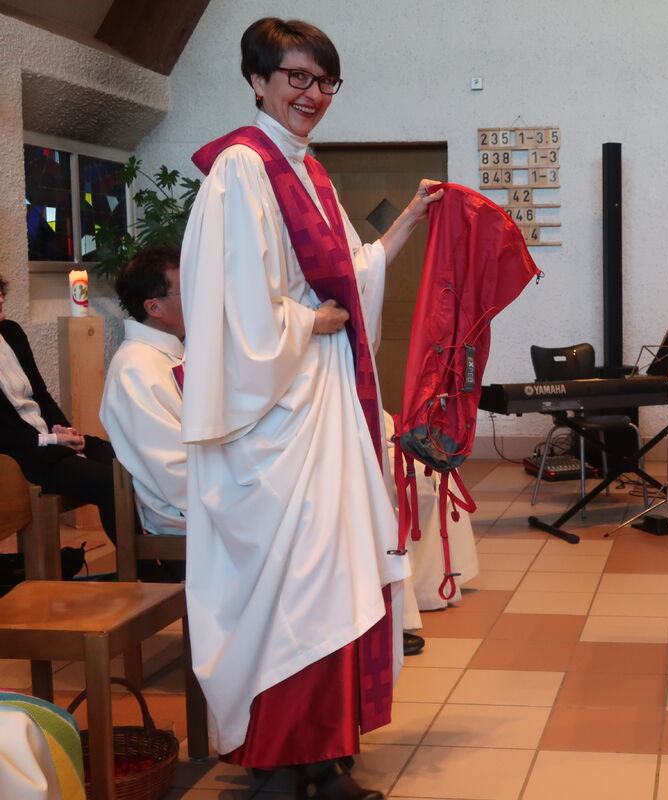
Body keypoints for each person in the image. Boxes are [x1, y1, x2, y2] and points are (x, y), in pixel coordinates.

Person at [179, 18, 442, 799]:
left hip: (320, 403)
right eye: (297, 77)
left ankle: (323, 756)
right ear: (257, 81)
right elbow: (229, 303)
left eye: (325, 81)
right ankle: (281, 761)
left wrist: (406, 223)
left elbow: (345, 276)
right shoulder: (241, 167)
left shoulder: (310, 172)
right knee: (294, 589)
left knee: (334, 579)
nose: (313, 94)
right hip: (271, 418)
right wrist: (305, 324)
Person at [0, 273, 117, 544]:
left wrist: (66, 431)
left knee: (125, 463)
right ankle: (142, 564)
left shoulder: (11, 333)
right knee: (111, 482)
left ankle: (158, 552)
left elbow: (41, 394)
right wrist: (51, 440)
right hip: (20, 456)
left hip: (50, 442)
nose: (2, 299)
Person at [100, 247, 187, 537]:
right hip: (178, 510)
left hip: (210, 486)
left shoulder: (176, 351)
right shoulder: (134, 369)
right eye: (187, 289)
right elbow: (172, 469)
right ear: (154, 308)